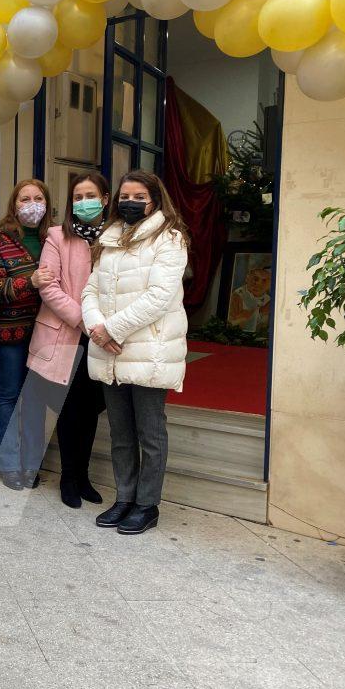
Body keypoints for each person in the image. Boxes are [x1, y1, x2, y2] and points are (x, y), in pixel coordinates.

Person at [83, 170, 189, 535]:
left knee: (150, 433)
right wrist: (97, 329)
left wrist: (111, 329)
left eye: (139, 197)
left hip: (149, 349)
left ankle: (147, 504)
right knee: (121, 433)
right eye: (125, 196)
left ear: (155, 201)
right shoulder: (108, 236)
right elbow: (90, 291)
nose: (130, 202)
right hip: (110, 350)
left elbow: (159, 297)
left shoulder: (169, 238)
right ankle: (124, 498)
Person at [27, 172, 111, 508]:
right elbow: (49, 287)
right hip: (70, 334)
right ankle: (68, 477)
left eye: (90, 196)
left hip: (104, 336)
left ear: (105, 199)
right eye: (77, 197)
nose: (83, 202)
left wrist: (105, 326)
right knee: (70, 408)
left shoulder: (116, 237)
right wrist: (84, 320)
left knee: (92, 409)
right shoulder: (57, 236)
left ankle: (84, 476)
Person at [0, 179, 52, 490]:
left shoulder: (54, 239)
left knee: (36, 399)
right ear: (14, 204)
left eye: (38, 198)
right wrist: (31, 282)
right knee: (8, 396)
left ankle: (31, 464)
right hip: (9, 333)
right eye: (25, 199)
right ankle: (9, 463)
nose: (32, 204)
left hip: (46, 334)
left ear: (47, 203)